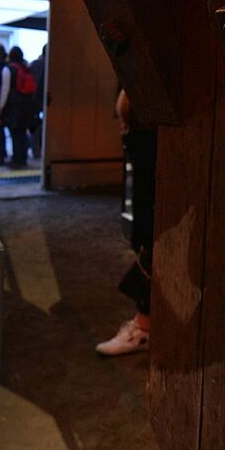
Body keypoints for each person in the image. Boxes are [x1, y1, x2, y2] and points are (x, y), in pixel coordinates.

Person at [96, 88, 157, 356]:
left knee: (150, 238)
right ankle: (144, 325)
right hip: (146, 138)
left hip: (154, 138)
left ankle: (144, 327)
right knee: (146, 236)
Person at [4, 46, 38, 169]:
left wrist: (1, 106)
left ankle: (16, 159)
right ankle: (23, 158)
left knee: (16, 134)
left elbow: (5, 90)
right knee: (23, 133)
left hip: (15, 106)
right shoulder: (27, 67)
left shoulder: (10, 69)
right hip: (27, 105)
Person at [28, 44, 46, 160]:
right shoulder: (52, 64)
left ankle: (36, 150)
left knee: (35, 126)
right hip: (46, 99)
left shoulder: (35, 64)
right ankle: (42, 148)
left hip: (33, 99)